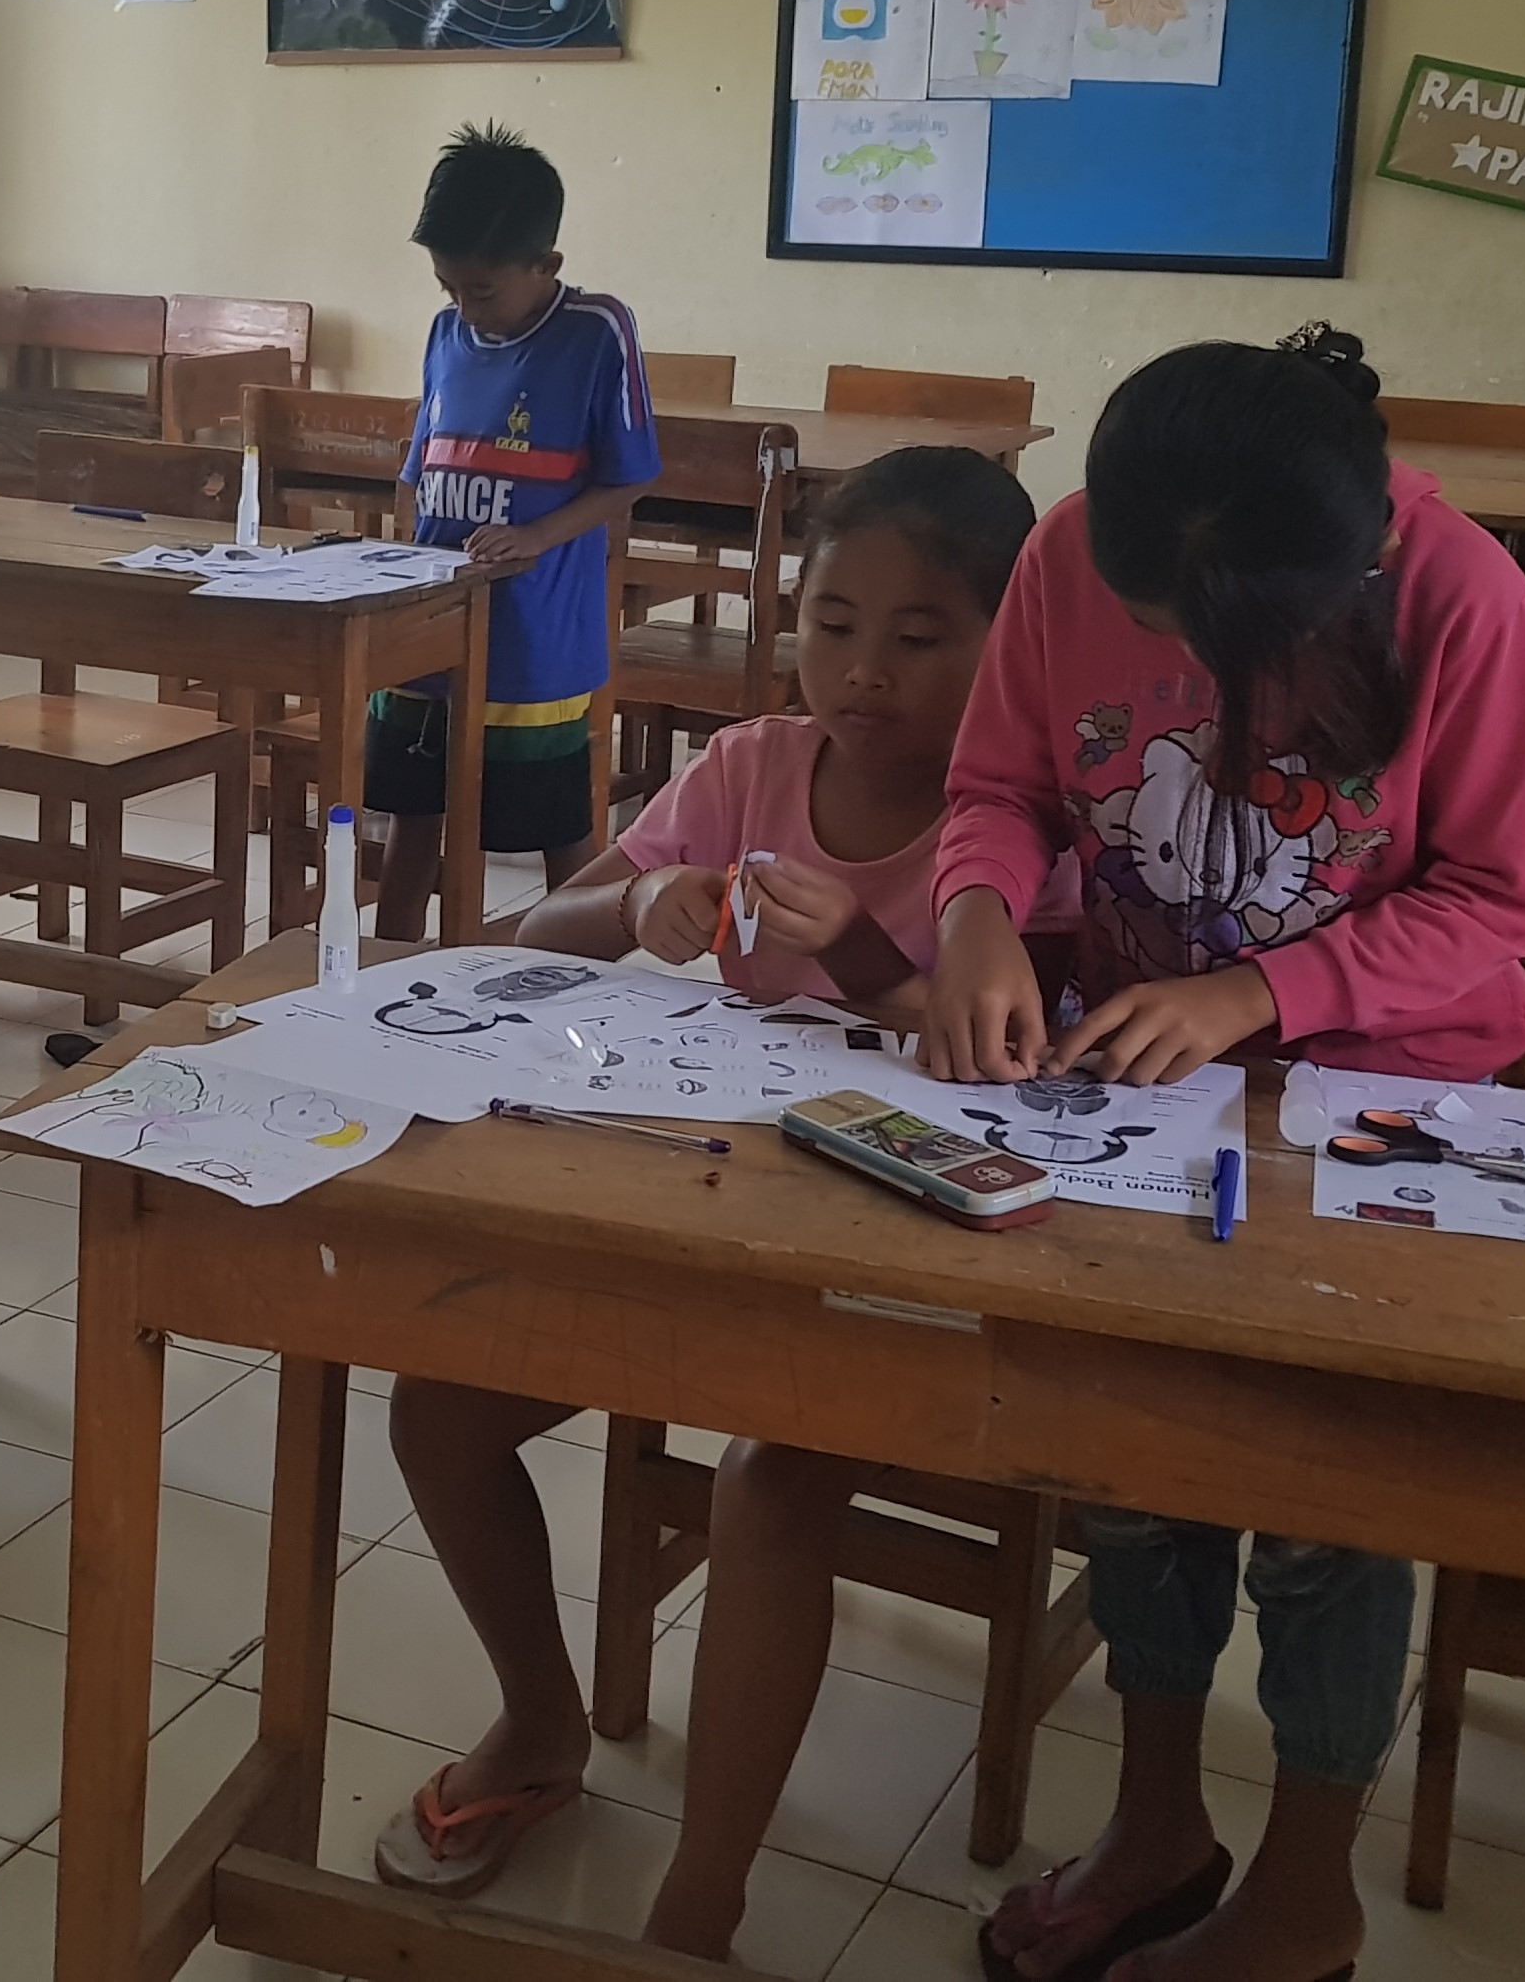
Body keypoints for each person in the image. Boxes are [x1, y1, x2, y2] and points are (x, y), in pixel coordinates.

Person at [921, 325, 1525, 1982]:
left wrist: (1262, 987)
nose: (1170, 651)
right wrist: (976, 911)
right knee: (1137, 1461)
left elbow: (1497, 900)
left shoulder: (1459, 599)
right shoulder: (1070, 550)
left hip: (1382, 1091)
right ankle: (1156, 1824)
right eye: (1147, 627)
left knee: (1329, 1492)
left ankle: (1304, 1886)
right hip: (1141, 1073)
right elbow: (996, 783)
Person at [370, 448, 1037, 1914]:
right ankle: (542, 1718)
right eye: (833, 622)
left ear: (1012, 645)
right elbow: (541, 927)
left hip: (889, 1279)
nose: (863, 672)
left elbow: (1000, 1064)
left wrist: (863, 952)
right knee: (438, 1407)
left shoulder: (1013, 832)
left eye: (920, 638)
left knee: (772, 1483)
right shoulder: (749, 769)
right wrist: (637, 903)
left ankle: (705, 1890)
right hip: (686, 1220)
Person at [369, 122, 658, 940]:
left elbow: (633, 472)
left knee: (555, 824)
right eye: (448, 287)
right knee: (414, 814)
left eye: (484, 291)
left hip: (534, 639)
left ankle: (585, 966)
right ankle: (387, 965)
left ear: (547, 266)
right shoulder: (443, 334)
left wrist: (538, 538)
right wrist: (398, 554)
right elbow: (416, 467)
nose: (466, 308)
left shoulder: (596, 332)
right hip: (425, 624)